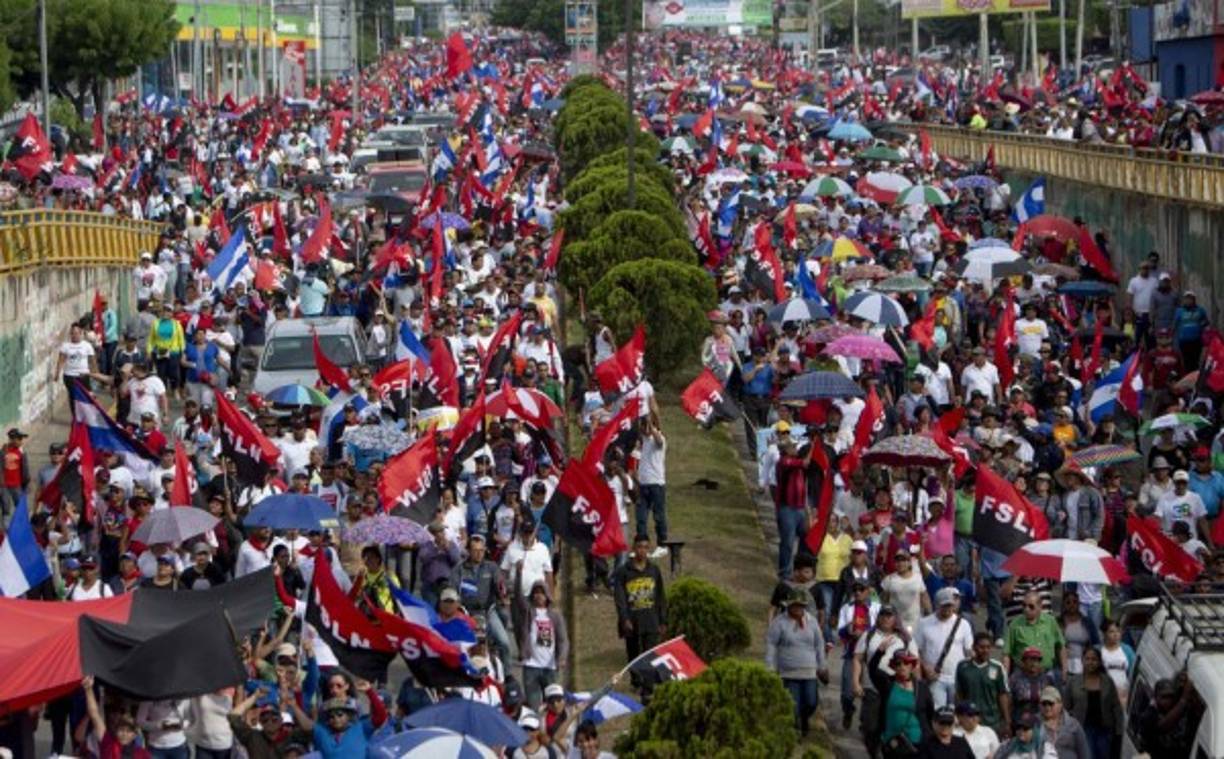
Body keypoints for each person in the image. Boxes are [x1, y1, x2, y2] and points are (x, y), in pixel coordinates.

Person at [766, 587, 829, 737]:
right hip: (788, 672)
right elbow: (771, 644)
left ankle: (804, 718)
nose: (798, 608)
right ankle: (796, 730)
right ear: (788, 605)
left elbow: (819, 644)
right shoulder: (779, 622)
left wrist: (822, 666)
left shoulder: (811, 621)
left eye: (801, 605)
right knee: (794, 705)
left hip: (809, 671)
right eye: (795, 605)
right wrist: (770, 666)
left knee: (811, 702)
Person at [915, 587, 975, 709]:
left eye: (950, 605)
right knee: (938, 712)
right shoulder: (924, 623)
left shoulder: (963, 624)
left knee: (957, 713)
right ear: (937, 605)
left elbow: (968, 651)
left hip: (957, 678)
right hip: (936, 677)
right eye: (944, 605)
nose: (948, 609)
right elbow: (917, 650)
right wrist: (926, 668)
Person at [612, 533, 668, 663]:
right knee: (634, 657)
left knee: (651, 657)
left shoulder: (654, 570)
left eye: (646, 547)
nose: (642, 550)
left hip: (651, 622)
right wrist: (624, 619)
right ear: (633, 548)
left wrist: (663, 620)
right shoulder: (623, 571)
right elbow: (620, 599)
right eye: (639, 547)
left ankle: (648, 683)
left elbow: (661, 596)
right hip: (632, 623)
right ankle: (636, 682)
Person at [515, 576, 569, 710]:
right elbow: (518, 597)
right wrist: (518, 574)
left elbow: (563, 640)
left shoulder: (555, 616)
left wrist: (561, 657)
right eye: (535, 593)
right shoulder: (528, 613)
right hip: (531, 665)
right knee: (534, 707)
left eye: (541, 592)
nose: (538, 596)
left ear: (547, 596)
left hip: (550, 668)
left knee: (553, 707)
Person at [1062, 647, 1123, 759]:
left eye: (1094, 659)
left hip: (1105, 729)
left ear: (1099, 662)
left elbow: (1116, 707)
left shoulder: (1107, 681)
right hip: (1083, 729)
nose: (1090, 662)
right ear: (1082, 660)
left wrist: (1119, 731)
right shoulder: (1073, 682)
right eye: (1087, 659)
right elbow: (1065, 707)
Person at [956, 631, 1011, 739]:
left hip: (992, 721)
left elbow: (1003, 695)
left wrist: (1007, 720)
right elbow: (959, 694)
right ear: (974, 647)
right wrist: (959, 716)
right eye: (982, 647)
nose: (985, 650)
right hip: (969, 720)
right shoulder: (963, 667)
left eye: (988, 647)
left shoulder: (997, 667)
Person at [82, 675, 152, 759]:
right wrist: (88, 689)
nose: (124, 734)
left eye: (128, 731)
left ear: (134, 735)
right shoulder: (107, 743)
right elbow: (94, 715)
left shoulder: (143, 754)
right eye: (121, 730)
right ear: (116, 731)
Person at [880, 650, 933, 758]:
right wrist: (879, 652)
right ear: (894, 667)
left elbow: (930, 713)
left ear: (911, 666)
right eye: (898, 663)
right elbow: (872, 669)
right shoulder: (888, 684)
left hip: (915, 741)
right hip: (892, 741)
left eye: (906, 663)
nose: (902, 666)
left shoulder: (921, 687)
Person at [1003, 591, 1067, 675]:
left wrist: (1064, 669)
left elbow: (1061, 646)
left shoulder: (1050, 621)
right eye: (1024, 605)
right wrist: (1005, 678)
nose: (1026, 609)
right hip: (1022, 673)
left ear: (1040, 606)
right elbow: (1006, 653)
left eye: (1031, 606)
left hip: (1048, 672)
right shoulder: (1015, 624)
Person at [635, 415, 669, 558]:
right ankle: (641, 546)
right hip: (643, 485)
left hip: (656, 484)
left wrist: (652, 427)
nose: (643, 429)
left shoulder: (659, 439)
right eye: (643, 426)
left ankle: (662, 544)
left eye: (645, 426)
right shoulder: (642, 441)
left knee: (658, 516)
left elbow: (659, 441)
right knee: (641, 518)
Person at [1036, 686, 1090, 758]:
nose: (1047, 707)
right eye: (1044, 703)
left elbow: (1084, 752)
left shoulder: (1074, 724)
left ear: (1060, 704)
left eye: (1051, 703)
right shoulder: (1034, 723)